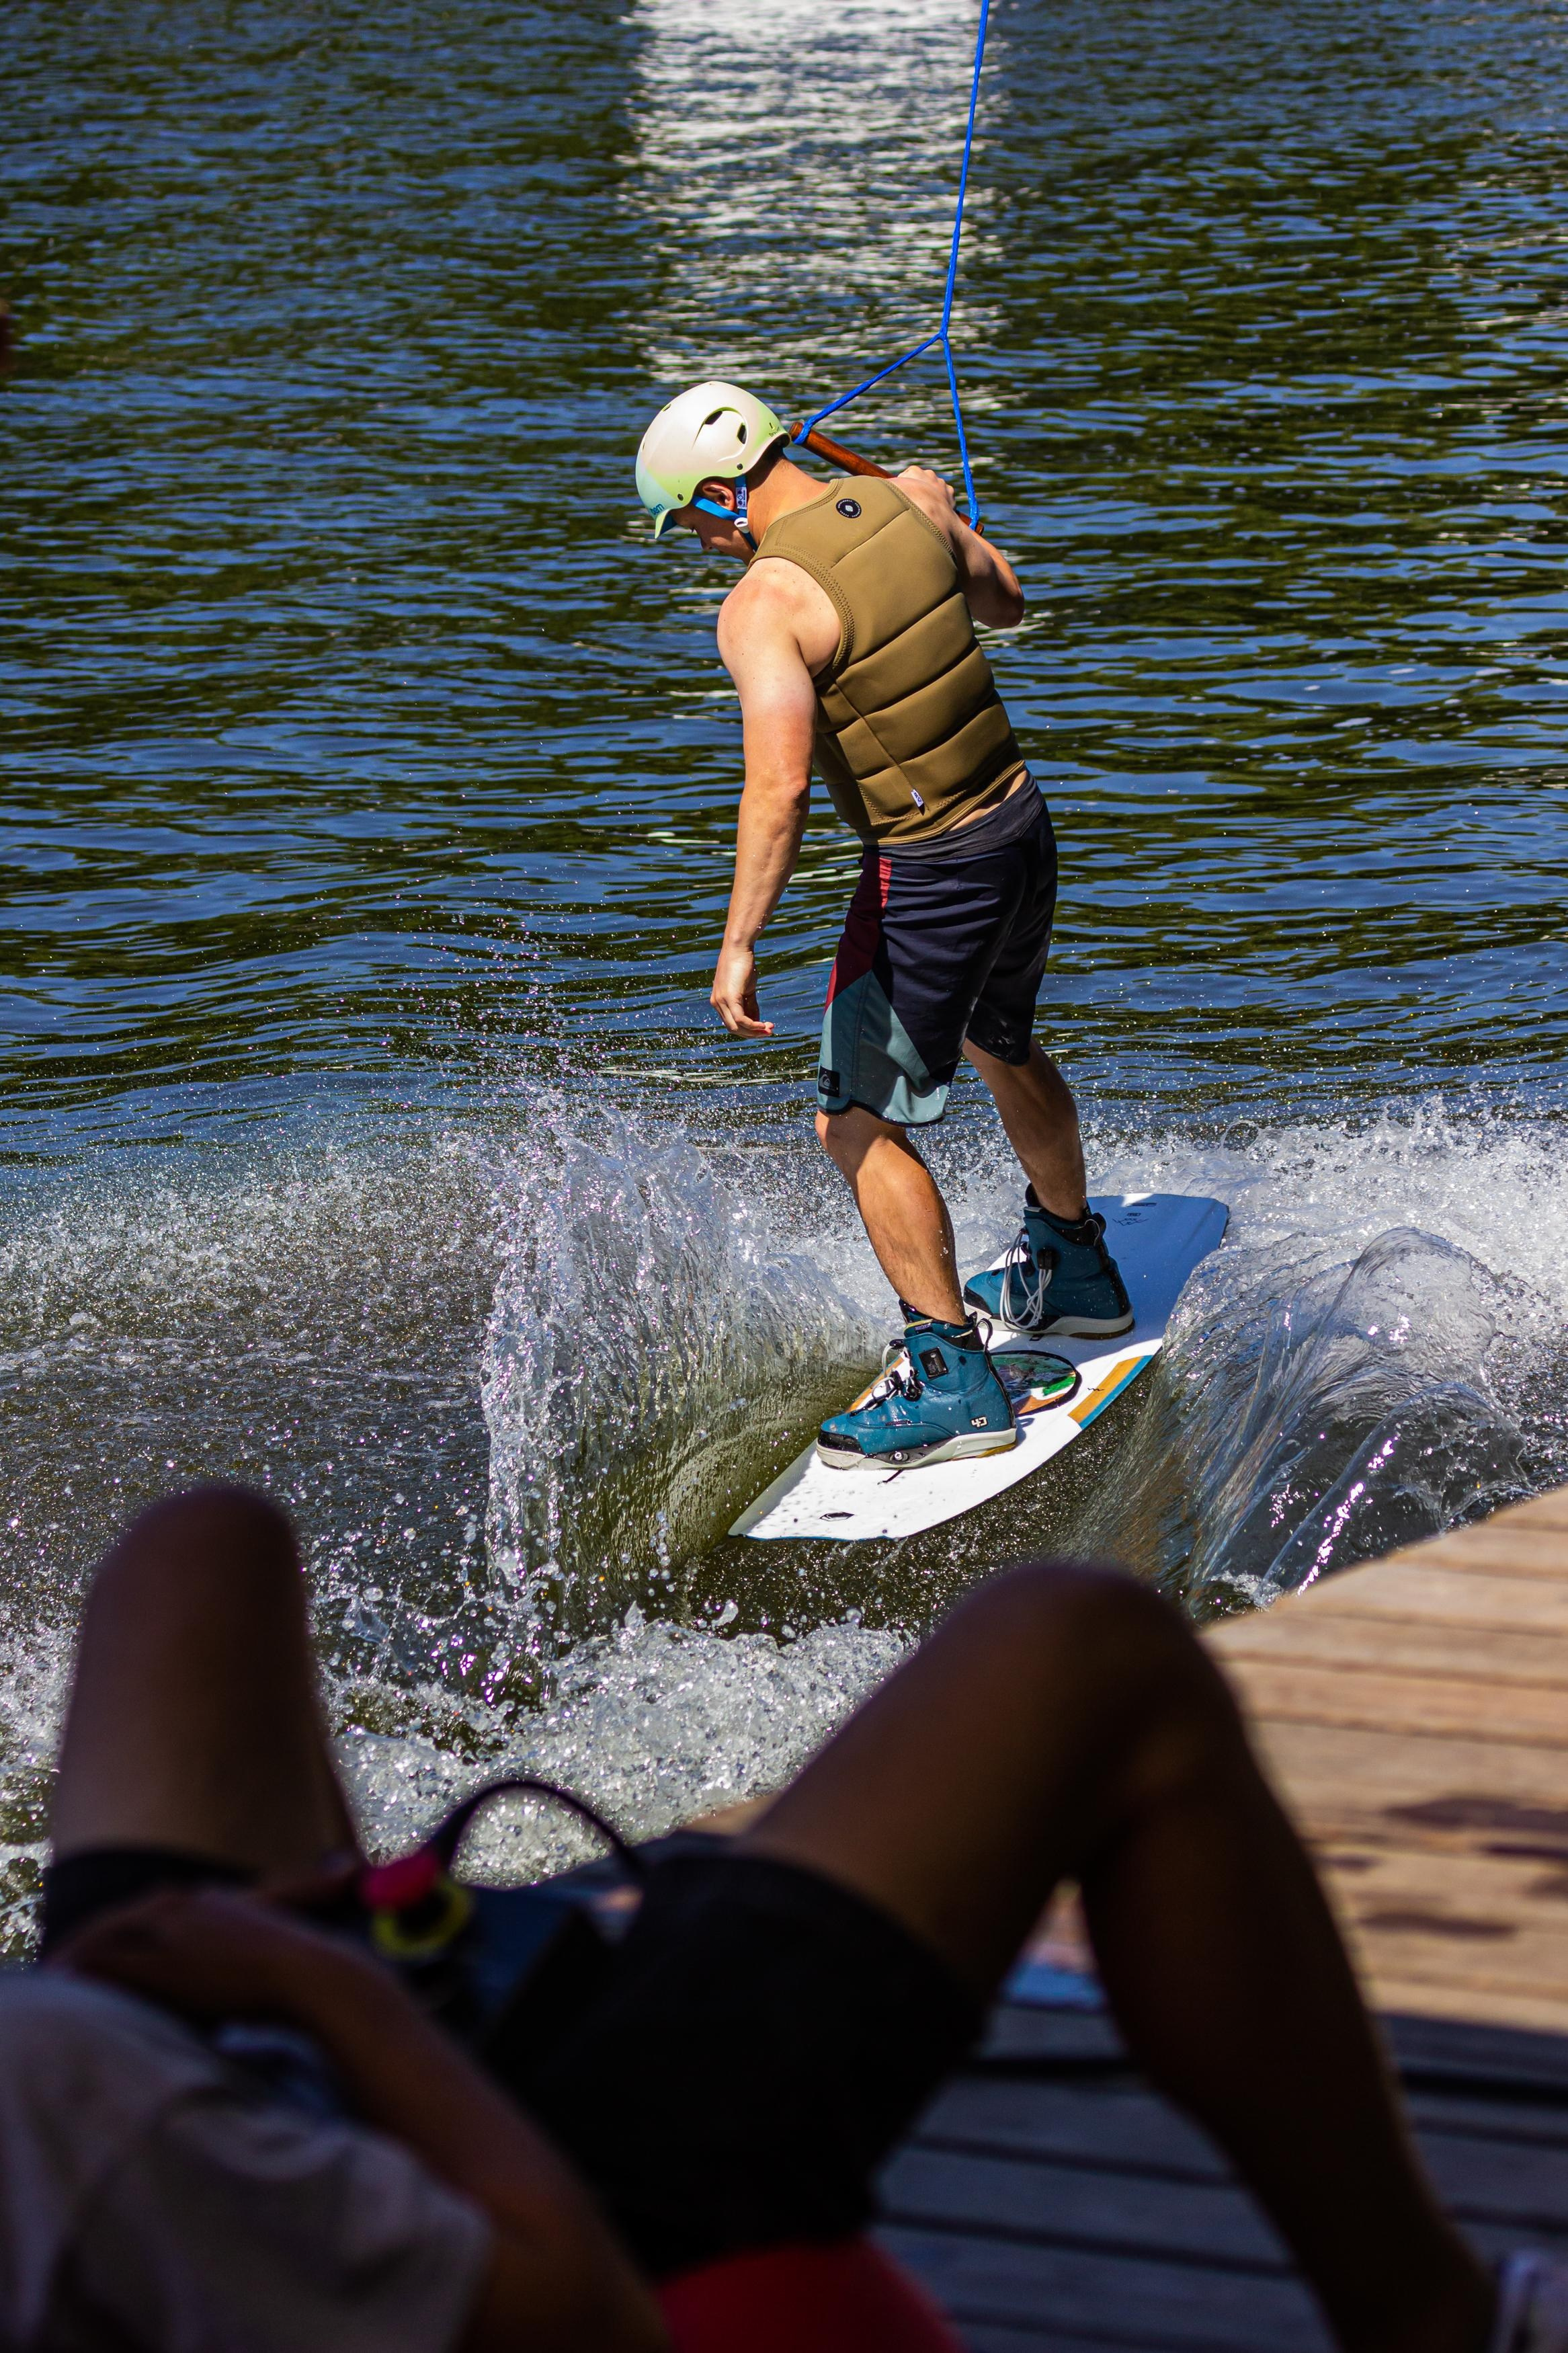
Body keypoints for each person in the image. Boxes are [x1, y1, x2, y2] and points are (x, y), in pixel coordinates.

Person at [1, 1484, 1559, 2350]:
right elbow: (574, 2317)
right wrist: (333, 1994)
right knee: (1079, 1643)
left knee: (199, 1548)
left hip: (164, 2059)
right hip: (478, 2161)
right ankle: (1433, 2321)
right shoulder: (101, 2138)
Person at [635, 380, 1133, 1472]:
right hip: (1018, 824)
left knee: (852, 1122)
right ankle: (1074, 1264)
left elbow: (778, 792)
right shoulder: (902, 502)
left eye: (694, 524)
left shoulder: (764, 602)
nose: (704, 547)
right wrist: (936, 509)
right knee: (1000, 1040)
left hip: (932, 867)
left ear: (723, 492)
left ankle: (950, 1376)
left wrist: (738, 943)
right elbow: (1004, 600)